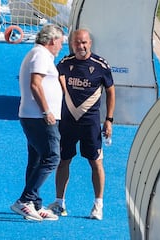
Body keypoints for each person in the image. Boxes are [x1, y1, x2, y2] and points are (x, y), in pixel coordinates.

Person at [48, 29, 115, 220]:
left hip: (91, 124)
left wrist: (109, 120)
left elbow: (111, 91)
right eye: (77, 43)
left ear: (90, 43)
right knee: (63, 161)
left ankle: (98, 205)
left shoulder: (101, 65)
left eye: (84, 42)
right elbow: (52, 81)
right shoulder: (64, 64)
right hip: (68, 122)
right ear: (72, 44)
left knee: (96, 162)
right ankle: (59, 202)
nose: (81, 46)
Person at [10, 24, 65, 221]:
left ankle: (35, 203)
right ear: (52, 41)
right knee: (52, 157)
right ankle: (25, 200)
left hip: (34, 116)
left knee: (36, 159)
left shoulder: (40, 55)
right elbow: (35, 84)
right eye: (60, 42)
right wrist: (46, 111)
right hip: (39, 117)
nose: (61, 47)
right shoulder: (40, 55)